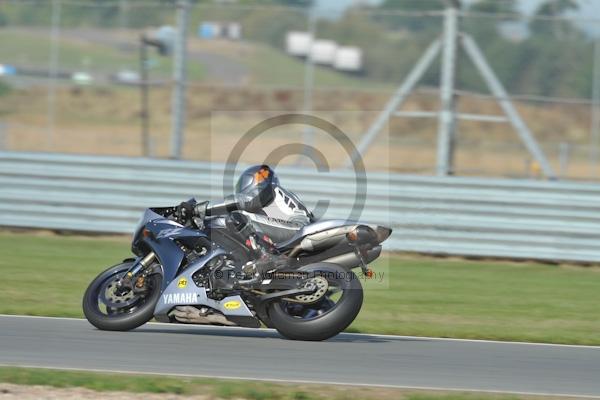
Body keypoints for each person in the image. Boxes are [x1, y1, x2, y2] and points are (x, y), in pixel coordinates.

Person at [177, 165, 313, 272]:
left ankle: (266, 257)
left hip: (297, 228)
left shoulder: (269, 188)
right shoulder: (272, 202)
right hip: (292, 231)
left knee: (238, 217)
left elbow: (245, 200)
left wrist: (199, 209)